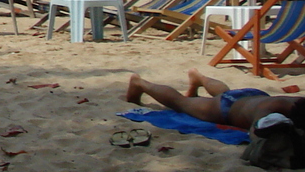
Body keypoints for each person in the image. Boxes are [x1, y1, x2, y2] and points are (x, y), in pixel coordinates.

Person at [124, 69, 305, 131]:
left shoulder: (294, 102)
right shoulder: (267, 115)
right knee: (181, 103)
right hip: (224, 109)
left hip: (250, 96)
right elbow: (257, 135)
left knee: (225, 93)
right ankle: (140, 83)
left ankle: (199, 78)